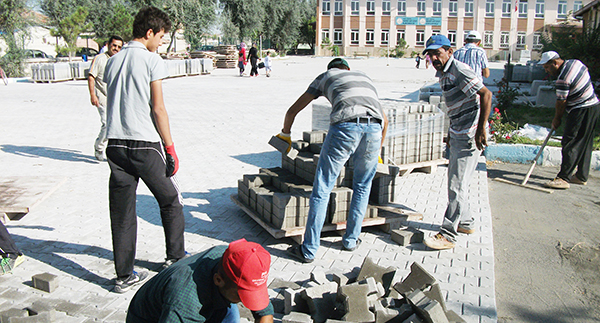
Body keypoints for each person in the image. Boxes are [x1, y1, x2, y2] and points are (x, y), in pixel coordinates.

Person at [103, 6, 185, 293]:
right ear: (149, 33)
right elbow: (158, 108)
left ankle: (123, 277)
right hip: (145, 146)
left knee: (122, 213)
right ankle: (175, 258)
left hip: (115, 146)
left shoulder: (111, 61)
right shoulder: (152, 61)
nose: (161, 43)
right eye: (160, 37)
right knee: (171, 200)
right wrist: (170, 147)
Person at [278, 58, 388, 263]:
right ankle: (350, 241)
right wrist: (377, 149)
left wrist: (285, 134)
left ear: (332, 70)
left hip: (345, 126)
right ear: (347, 69)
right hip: (374, 129)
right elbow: (386, 120)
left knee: (323, 187)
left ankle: (308, 250)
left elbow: (293, 110)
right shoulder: (363, 77)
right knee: (363, 186)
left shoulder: (325, 77)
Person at [421, 35, 492, 250]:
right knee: (458, 181)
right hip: (458, 132)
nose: (434, 57)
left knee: (456, 185)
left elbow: (486, 94)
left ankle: (448, 234)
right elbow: (454, 105)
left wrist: (480, 129)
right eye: (430, 54)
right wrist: (451, 132)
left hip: (470, 135)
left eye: (438, 53)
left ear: (449, 51)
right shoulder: (443, 73)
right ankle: (466, 222)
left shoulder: (458, 70)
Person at [126, 239, 274, 323]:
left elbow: (265, 314)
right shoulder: (185, 302)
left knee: (232, 316)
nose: (246, 301)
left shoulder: (240, 262)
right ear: (218, 279)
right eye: (242, 295)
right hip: (151, 319)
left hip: (211, 295)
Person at [539, 51, 600, 189]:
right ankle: (581, 176)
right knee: (585, 141)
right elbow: (586, 70)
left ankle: (563, 178)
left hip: (581, 109)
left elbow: (561, 102)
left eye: (547, 67)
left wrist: (557, 119)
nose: (547, 71)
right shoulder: (575, 63)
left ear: (555, 63)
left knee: (570, 142)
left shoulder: (563, 79)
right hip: (594, 105)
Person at [87, 35, 124, 161]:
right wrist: (93, 95)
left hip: (116, 99)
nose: (116, 49)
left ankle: (115, 151)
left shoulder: (120, 60)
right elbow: (91, 76)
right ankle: (99, 147)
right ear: (108, 45)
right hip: (102, 97)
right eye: (114, 45)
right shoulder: (100, 59)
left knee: (116, 125)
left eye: (119, 47)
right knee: (106, 124)